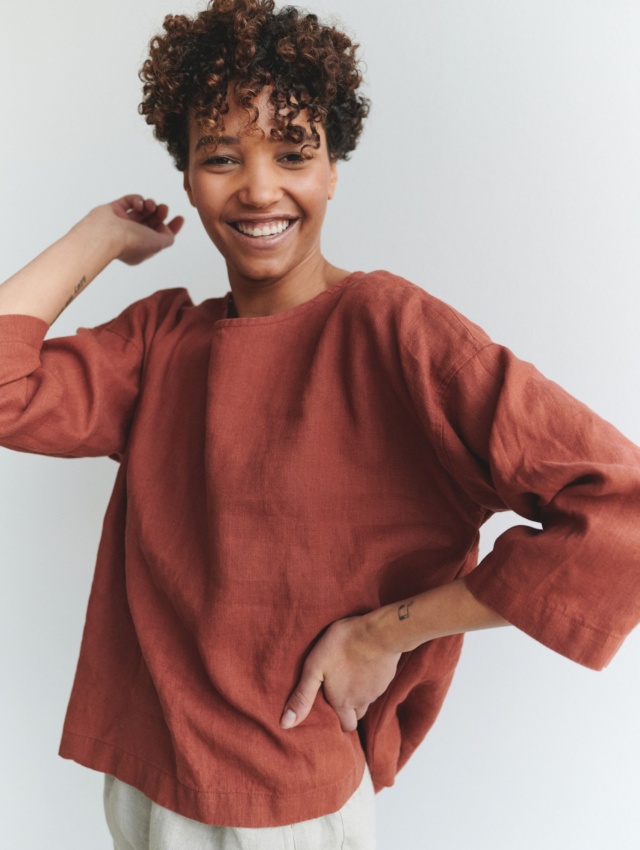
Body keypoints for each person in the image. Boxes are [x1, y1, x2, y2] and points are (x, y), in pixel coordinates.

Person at [1, 0, 639, 848]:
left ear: (334, 167)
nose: (260, 187)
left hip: (285, 803)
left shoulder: (392, 330)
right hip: (148, 778)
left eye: (294, 152)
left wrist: (383, 633)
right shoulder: (162, 342)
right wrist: (96, 237)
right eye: (220, 156)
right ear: (186, 177)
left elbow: (617, 513)